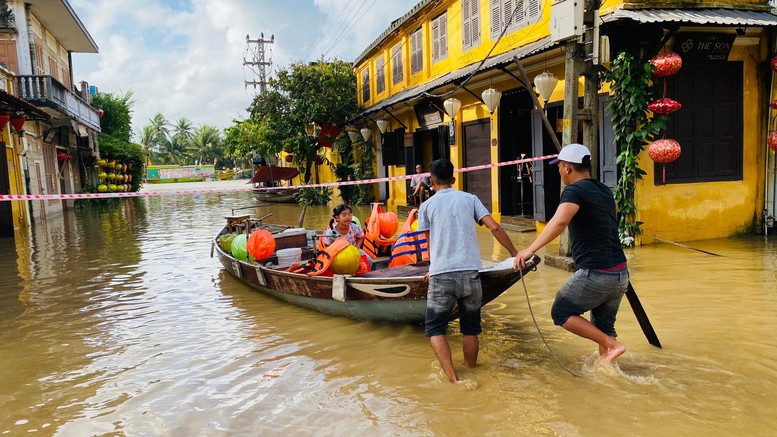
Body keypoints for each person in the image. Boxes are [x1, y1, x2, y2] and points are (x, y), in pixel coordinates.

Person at [513, 143, 628, 364]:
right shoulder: (604, 190)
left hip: (596, 273)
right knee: (604, 326)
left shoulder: (573, 191)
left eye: (559, 167)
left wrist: (529, 249)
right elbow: (614, 215)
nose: (559, 171)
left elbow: (560, 221)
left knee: (561, 311)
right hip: (620, 273)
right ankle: (610, 365)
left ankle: (613, 345)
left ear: (567, 168)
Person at [417, 159, 519, 383]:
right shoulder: (470, 199)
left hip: (441, 277)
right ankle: (472, 371)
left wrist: (431, 269)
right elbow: (494, 227)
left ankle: (454, 379)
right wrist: (515, 254)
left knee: (435, 330)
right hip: (471, 276)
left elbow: (428, 246)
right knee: (470, 329)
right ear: (454, 179)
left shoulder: (426, 206)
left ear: (431, 182)